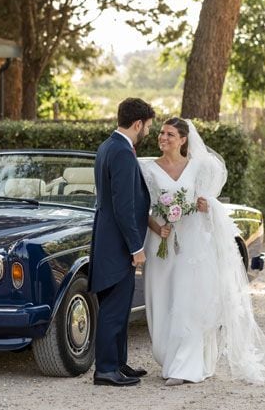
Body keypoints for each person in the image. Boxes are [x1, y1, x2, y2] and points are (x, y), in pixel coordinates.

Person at [139, 117, 265, 386]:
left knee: (187, 301)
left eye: (170, 134)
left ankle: (183, 367)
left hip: (192, 244)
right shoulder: (147, 169)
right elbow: (142, 208)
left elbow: (209, 203)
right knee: (161, 300)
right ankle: (171, 357)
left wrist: (207, 206)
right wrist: (158, 228)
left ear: (183, 140)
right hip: (161, 244)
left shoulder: (200, 167)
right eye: (161, 133)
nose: (163, 138)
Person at [89, 98, 155, 387]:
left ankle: (118, 363)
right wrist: (136, 247)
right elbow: (124, 206)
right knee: (114, 309)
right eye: (149, 127)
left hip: (108, 240)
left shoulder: (108, 146)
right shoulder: (122, 153)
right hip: (117, 244)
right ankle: (105, 369)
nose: (149, 132)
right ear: (138, 123)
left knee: (119, 304)